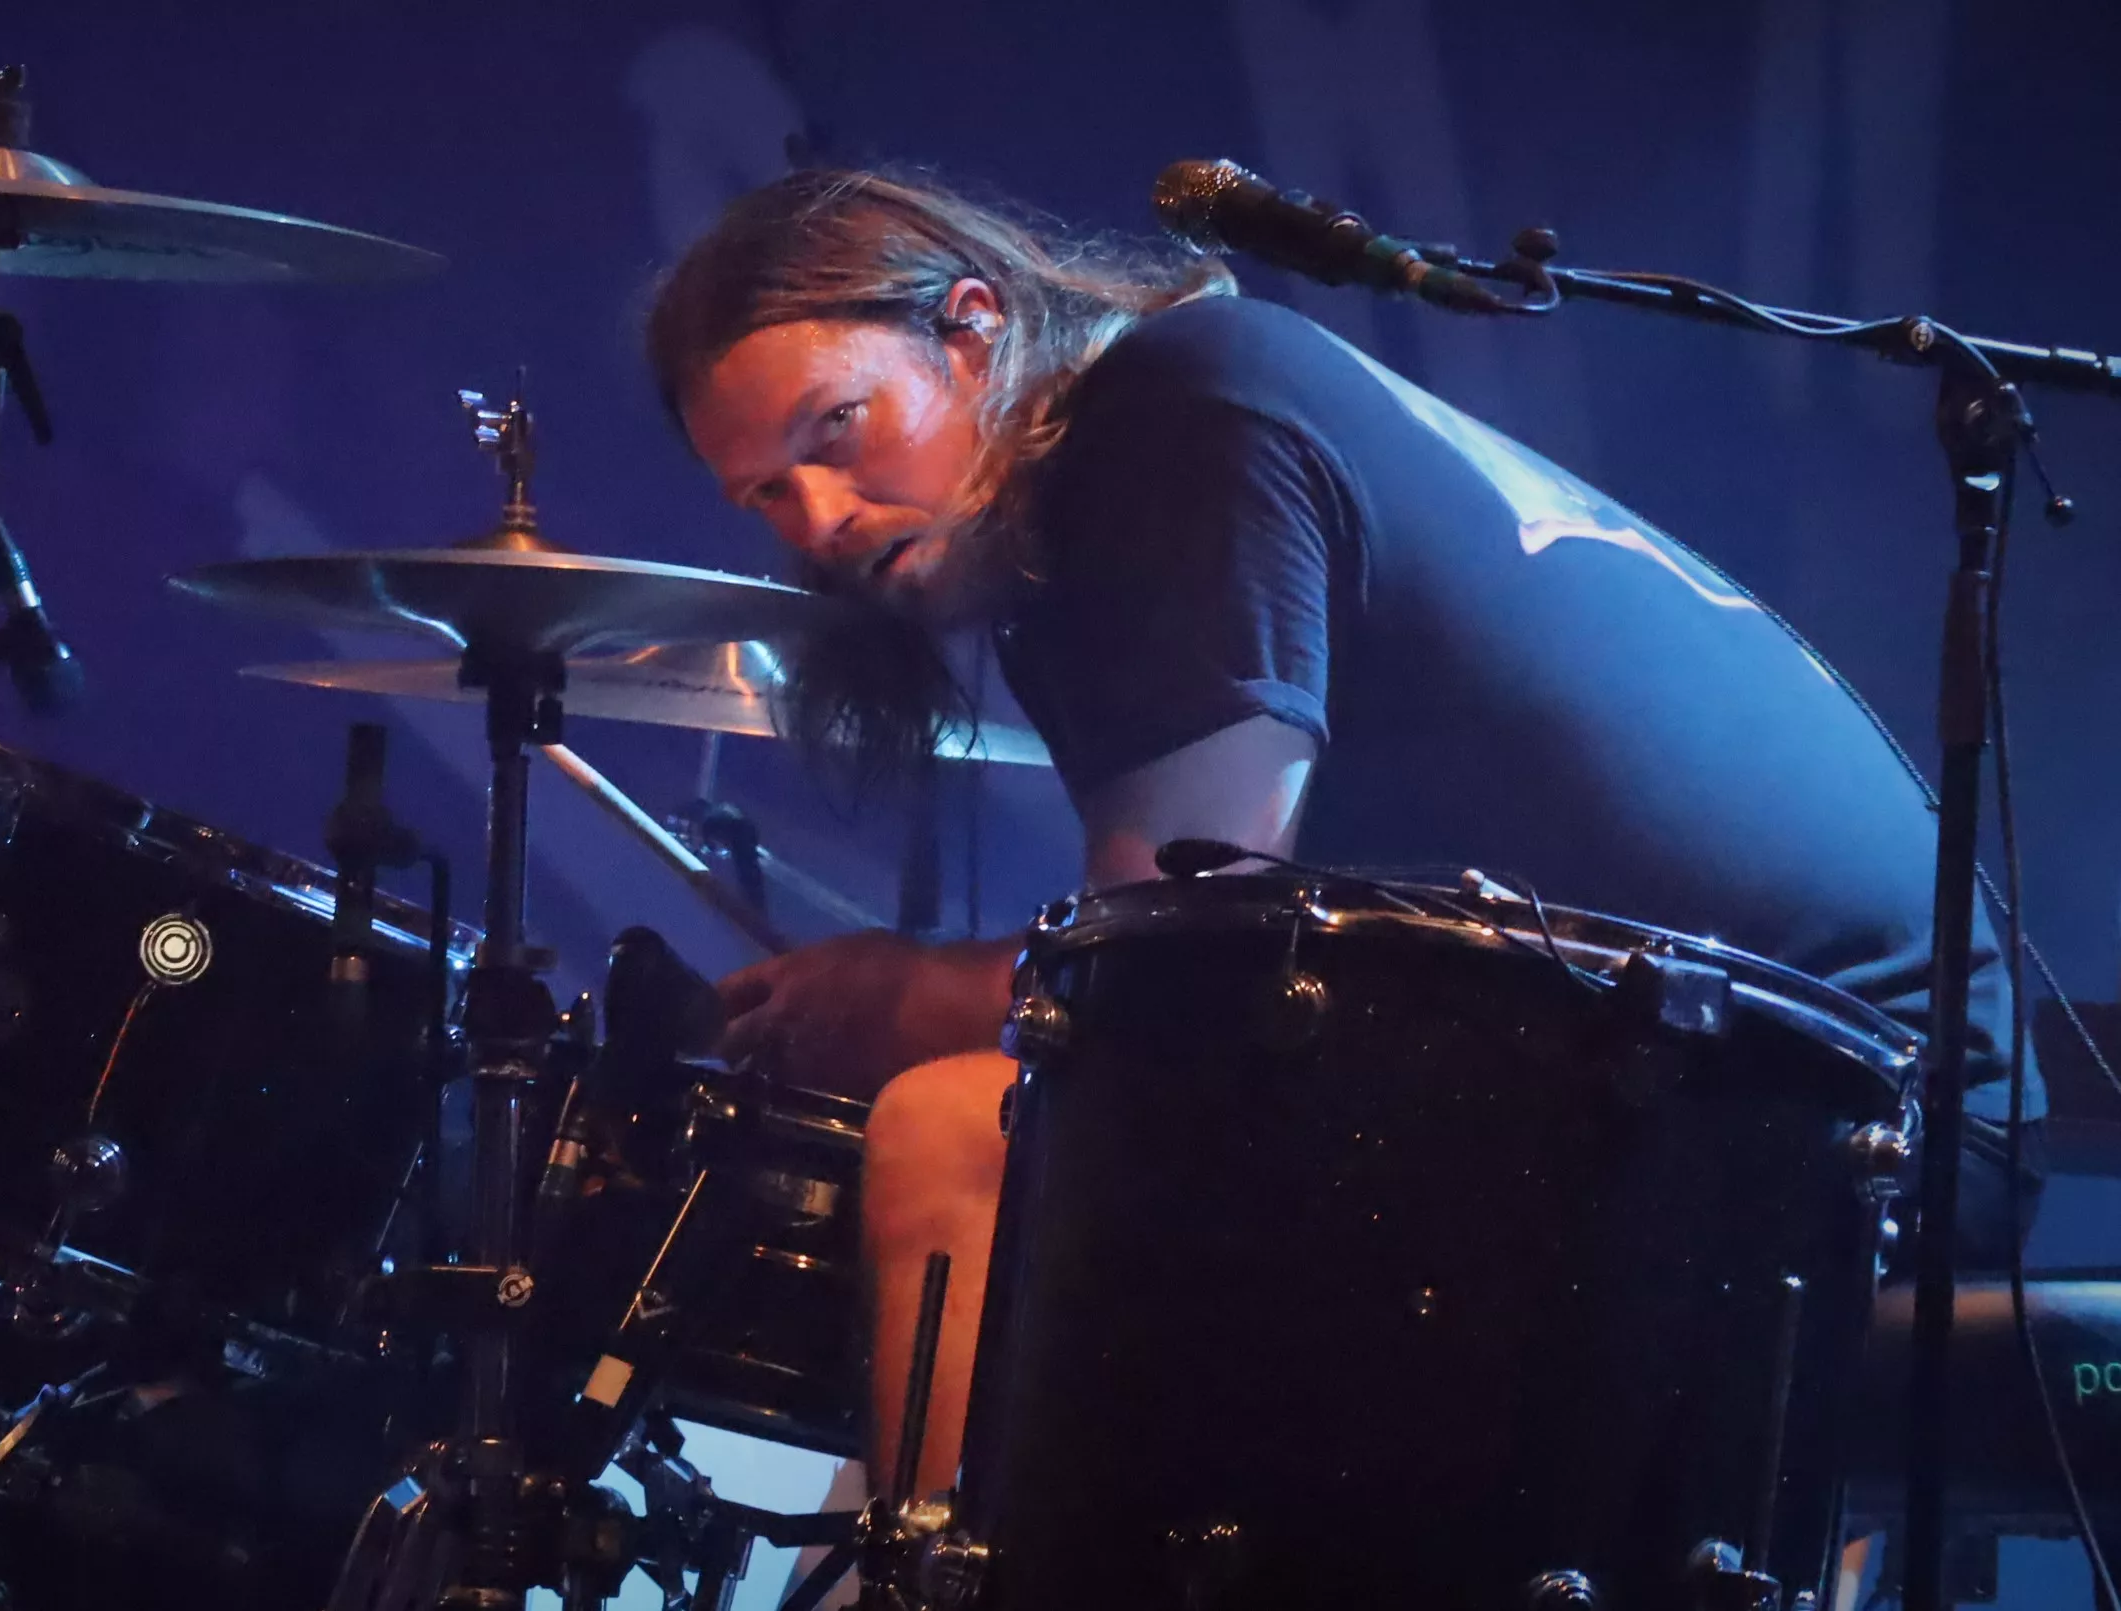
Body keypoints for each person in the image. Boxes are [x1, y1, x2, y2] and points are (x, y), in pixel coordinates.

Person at [641, 169, 2035, 1500]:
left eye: (835, 429)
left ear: (972, 328)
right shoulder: (1142, 442)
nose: (816, 518)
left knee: (957, 1132)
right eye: (764, 492)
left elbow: (1171, 964)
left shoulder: (1170, 418)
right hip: (1702, 1066)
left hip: (1846, 1112)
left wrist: (903, 997)